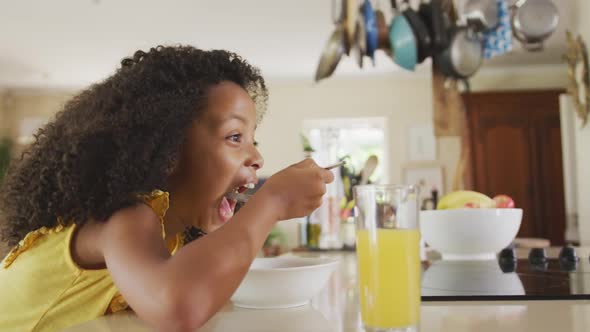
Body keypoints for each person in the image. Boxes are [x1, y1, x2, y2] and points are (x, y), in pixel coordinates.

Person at [0, 45, 334, 332]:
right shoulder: (118, 219)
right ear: (169, 151)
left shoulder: (168, 241)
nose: (257, 157)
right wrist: (271, 201)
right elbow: (177, 307)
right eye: (235, 137)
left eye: (253, 140)